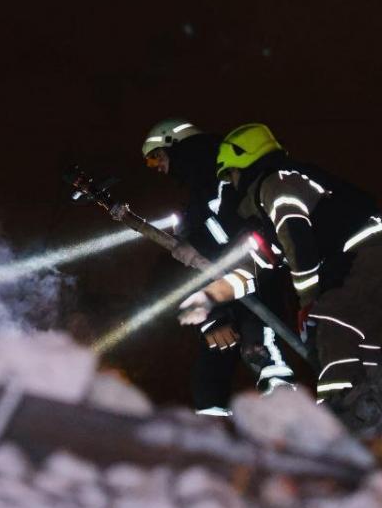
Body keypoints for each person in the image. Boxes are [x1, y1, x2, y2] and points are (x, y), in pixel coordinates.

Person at [177, 123, 382, 407]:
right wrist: (210, 297)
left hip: (365, 250)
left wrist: (309, 301)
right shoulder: (270, 206)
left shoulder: (276, 184)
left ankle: (342, 409)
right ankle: (376, 405)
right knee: (359, 342)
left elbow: (296, 239)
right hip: (372, 253)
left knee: (332, 323)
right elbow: (254, 267)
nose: (232, 183)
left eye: (232, 173)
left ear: (244, 161)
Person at [120, 118, 294, 416]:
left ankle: (290, 417)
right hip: (234, 289)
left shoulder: (222, 172)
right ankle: (214, 434)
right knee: (215, 367)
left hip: (259, 279)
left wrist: (198, 244)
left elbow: (237, 233)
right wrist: (215, 316)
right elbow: (206, 257)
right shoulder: (200, 191)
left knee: (260, 349)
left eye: (155, 157)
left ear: (173, 145)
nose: (156, 167)